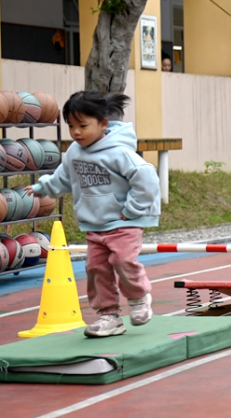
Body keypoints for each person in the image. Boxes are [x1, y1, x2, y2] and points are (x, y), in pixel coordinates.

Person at [27, 91, 160, 338]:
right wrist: (42, 188)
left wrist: (132, 209)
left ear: (103, 124)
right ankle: (109, 315)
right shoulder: (75, 152)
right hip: (95, 223)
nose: (76, 132)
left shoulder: (119, 152)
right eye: (71, 126)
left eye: (83, 125)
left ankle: (138, 297)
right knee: (96, 268)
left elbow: (146, 177)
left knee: (122, 260)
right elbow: (63, 178)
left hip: (124, 222)